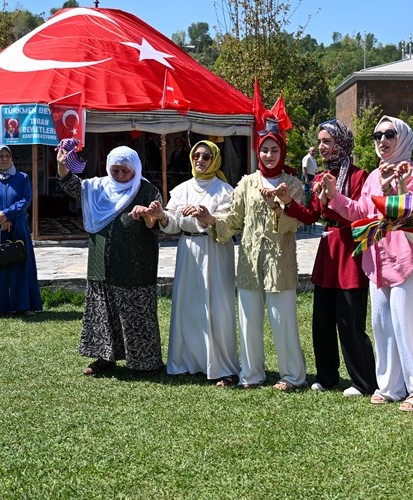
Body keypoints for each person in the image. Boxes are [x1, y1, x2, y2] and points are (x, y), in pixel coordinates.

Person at [324, 116, 413, 408]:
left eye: (389, 134)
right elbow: (360, 210)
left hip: (408, 261)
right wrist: (334, 194)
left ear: (404, 138)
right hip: (379, 261)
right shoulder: (373, 176)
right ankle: (389, 387)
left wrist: (390, 190)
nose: (382, 141)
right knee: (382, 325)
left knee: (408, 326)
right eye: (377, 135)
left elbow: (411, 212)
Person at [194, 130, 305, 390]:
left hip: (280, 260)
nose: (268, 155)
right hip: (250, 260)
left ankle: (292, 376)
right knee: (249, 320)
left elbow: (294, 223)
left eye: (274, 150)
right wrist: (211, 220)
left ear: (282, 152)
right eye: (264, 150)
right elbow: (234, 219)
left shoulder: (293, 185)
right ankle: (252, 374)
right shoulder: (247, 183)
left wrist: (278, 206)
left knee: (282, 319)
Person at [275, 120, 378, 398]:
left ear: (341, 143)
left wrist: (335, 194)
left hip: (350, 249)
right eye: (320, 141)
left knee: (350, 319)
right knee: (322, 318)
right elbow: (310, 215)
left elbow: (359, 214)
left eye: (327, 141)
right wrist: (287, 201)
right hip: (328, 250)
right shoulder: (320, 177)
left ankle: (364, 381)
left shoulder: (359, 176)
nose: (322, 147)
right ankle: (327, 376)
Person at [59, 145, 163, 377]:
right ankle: (105, 359)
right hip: (101, 262)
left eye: (125, 171)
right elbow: (72, 185)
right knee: (102, 311)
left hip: (135, 264)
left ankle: (146, 362)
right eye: (115, 170)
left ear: (135, 169)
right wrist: (62, 165)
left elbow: (155, 224)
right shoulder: (98, 188)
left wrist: (149, 214)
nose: (119, 176)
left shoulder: (147, 190)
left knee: (136, 312)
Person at [152, 140, 240, 386]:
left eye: (206, 156)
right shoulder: (181, 189)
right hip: (188, 251)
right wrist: (161, 216)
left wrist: (207, 218)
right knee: (188, 305)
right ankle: (185, 362)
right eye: (196, 156)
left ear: (215, 159)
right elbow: (172, 223)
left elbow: (232, 224)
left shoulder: (225, 191)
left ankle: (223, 367)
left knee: (217, 307)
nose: (200, 160)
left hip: (215, 250)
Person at [0, 145, 42, 317]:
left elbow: (25, 200)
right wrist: (0, 219)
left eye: (7, 156)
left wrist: (7, 214)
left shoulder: (22, 178)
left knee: (19, 264)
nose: (4, 159)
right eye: (1, 156)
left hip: (17, 227)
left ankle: (23, 305)